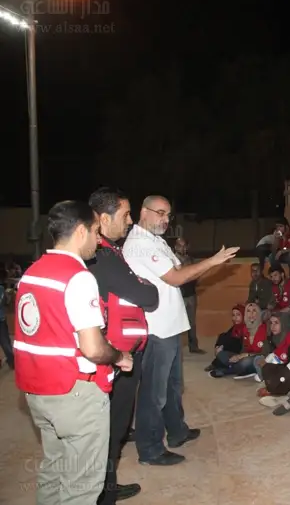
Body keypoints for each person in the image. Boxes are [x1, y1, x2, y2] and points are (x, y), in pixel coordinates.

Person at [13, 200, 134, 505]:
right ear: (81, 231)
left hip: (38, 392)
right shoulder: (78, 277)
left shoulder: (31, 273)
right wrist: (119, 356)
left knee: (54, 470)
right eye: (95, 232)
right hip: (74, 395)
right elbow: (92, 348)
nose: (98, 240)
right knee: (81, 487)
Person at [122, 194, 239, 466]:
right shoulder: (139, 243)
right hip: (156, 329)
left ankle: (177, 431)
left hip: (170, 326)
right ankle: (150, 449)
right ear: (143, 212)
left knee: (173, 386)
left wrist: (196, 267)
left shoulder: (157, 240)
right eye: (160, 213)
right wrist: (212, 261)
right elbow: (176, 277)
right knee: (154, 393)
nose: (165, 219)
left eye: (168, 215)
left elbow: (180, 268)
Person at [88, 187, 160, 504]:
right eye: (125, 214)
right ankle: (103, 493)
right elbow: (148, 295)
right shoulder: (103, 256)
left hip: (119, 353)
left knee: (113, 428)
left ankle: (107, 485)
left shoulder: (109, 253)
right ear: (104, 219)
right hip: (115, 356)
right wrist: (143, 285)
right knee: (111, 429)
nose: (130, 221)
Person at [174, 236, 204, 353]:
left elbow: (196, 275)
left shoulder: (191, 259)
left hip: (191, 294)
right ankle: (176, 348)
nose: (182, 248)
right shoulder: (172, 260)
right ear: (175, 247)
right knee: (177, 322)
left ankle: (193, 346)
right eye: (179, 246)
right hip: (179, 295)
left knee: (191, 322)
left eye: (184, 246)